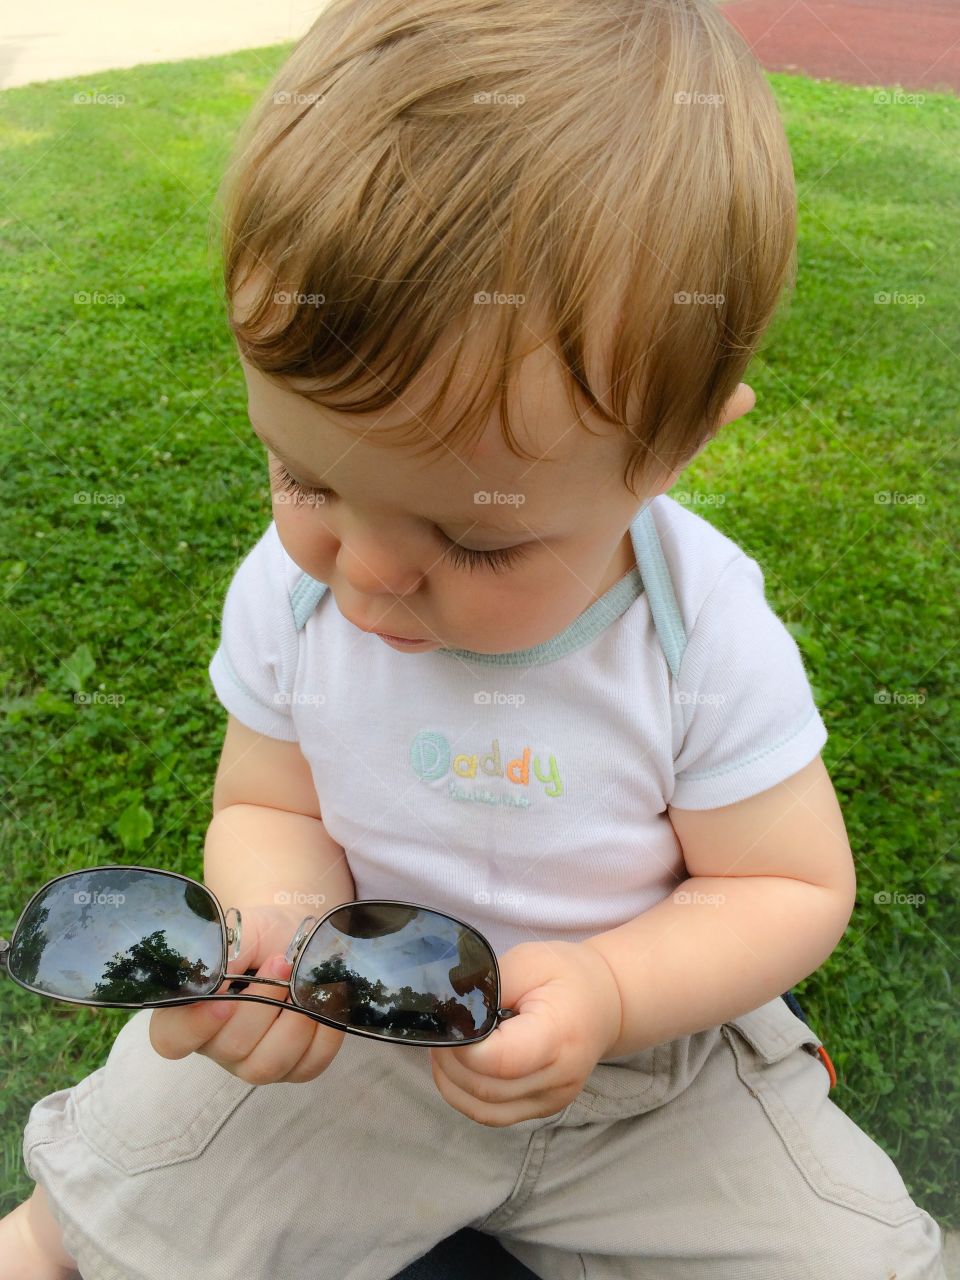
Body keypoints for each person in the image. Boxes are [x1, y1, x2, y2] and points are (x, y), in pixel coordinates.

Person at [1, 0, 947, 1276]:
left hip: (645, 1076)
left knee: (856, 1257)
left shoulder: (698, 624)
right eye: (308, 480)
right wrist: (280, 916)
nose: (371, 577)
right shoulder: (287, 595)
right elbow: (269, 798)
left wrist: (611, 991)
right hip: (357, 1027)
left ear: (673, 453)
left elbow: (780, 883)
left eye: (481, 540)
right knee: (118, 1195)